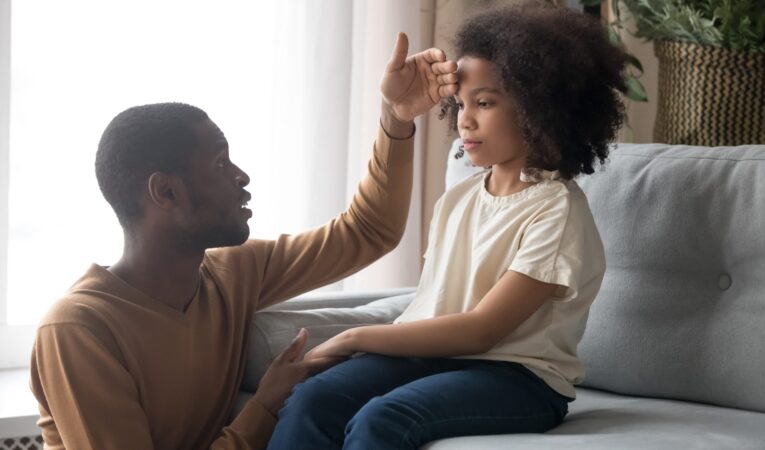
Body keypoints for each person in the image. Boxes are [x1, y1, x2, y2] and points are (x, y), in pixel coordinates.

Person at [28, 32, 458, 450]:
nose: (241, 177)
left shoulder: (232, 273)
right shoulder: (79, 330)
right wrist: (266, 406)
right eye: (220, 163)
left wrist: (396, 116)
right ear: (166, 193)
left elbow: (368, 230)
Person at [267, 5, 627, 449]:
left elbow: (482, 330)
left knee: (384, 419)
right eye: (460, 103)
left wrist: (354, 337)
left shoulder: (556, 211)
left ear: (539, 107)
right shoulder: (461, 196)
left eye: (485, 102)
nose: (465, 119)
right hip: (437, 359)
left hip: (518, 378)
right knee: (314, 398)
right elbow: (436, 303)